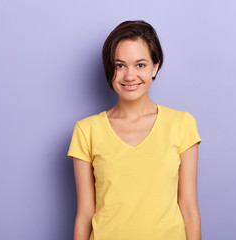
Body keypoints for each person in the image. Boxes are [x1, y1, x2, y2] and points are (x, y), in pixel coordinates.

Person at [67, 20, 202, 240]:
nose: (130, 76)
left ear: (155, 66)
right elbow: (84, 215)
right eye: (120, 65)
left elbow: (188, 209)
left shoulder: (182, 124)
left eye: (140, 65)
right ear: (110, 69)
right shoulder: (86, 131)